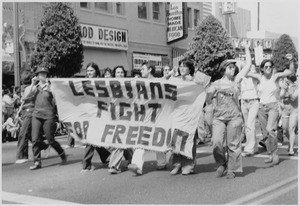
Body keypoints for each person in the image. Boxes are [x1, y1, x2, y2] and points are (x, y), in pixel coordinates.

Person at [206, 46, 251, 179]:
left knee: (234, 144)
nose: (233, 69)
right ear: (223, 70)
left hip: (234, 117)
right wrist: (209, 94)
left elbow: (248, 65)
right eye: (230, 67)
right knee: (216, 142)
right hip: (219, 117)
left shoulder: (237, 81)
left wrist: (247, 49)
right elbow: (208, 100)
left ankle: (233, 169)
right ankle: (222, 163)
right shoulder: (216, 84)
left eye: (233, 67)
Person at [247, 54, 295, 165]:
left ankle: (274, 153)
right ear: (262, 69)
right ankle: (269, 154)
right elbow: (245, 73)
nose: (268, 68)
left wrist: (291, 61)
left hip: (273, 106)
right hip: (262, 107)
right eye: (266, 67)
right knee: (265, 134)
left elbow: (290, 72)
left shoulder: (276, 76)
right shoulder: (259, 77)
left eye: (270, 66)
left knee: (270, 130)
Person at [128, 62, 168, 175]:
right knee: (141, 139)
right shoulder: (139, 82)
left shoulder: (159, 81)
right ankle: (136, 165)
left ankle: (162, 162)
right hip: (144, 116)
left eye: (143, 69)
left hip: (158, 115)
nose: (141, 71)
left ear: (150, 70)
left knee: (158, 138)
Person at [28, 66, 67, 170]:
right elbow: (26, 96)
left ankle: (61, 152)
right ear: (37, 76)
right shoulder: (35, 87)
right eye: (40, 74)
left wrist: (50, 88)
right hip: (36, 115)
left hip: (49, 116)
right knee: (35, 139)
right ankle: (37, 162)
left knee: (50, 139)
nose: (43, 76)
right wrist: (32, 84)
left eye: (45, 74)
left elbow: (57, 97)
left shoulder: (50, 86)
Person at [81, 62, 111, 172]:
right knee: (93, 137)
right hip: (88, 113)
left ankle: (86, 164)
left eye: (91, 71)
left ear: (96, 71)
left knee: (91, 137)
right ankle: (105, 156)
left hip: (99, 113)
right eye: (87, 71)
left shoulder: (101, 83)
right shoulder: (84, 83)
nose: (89, 73)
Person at [15, 70, 50, 164]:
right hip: (25, 112)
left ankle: (23, 156)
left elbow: (25, 97)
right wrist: (18, 112)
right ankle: (44, 146)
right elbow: (23, 102)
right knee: (31, 135)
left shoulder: (34, 87)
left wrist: (32, 84)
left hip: (31, 112)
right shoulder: (25, 87)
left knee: (23, 134)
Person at [108, 65, 133, 174]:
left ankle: (114, 166)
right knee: (122, 140)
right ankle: (132, 160)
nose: (120, 74)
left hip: (126, 115)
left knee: (119, 139)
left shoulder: (129, 85)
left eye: (122, 72)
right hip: (113, 115)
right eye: (118, 72)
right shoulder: (109, 85)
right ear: (114, 74)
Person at [239, 49, 260, 157]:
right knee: (247, 125)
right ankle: (254, 146)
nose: (248, 70)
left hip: (253, 102)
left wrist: (247, 49)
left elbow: (250, 68)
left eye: (251, 68)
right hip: (244, 102)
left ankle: (249, 148)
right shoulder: (241, 78)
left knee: (250, 125)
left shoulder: (256, 77)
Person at [278, 75, 298, 156]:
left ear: (290, 79)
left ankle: (291, 149)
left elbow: (293, 97)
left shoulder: (297, 86)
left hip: (294, 109)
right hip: (285, 110)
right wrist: (283, 89)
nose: (284, 80)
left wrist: (287, 90)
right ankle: (292, 142)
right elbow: (280, 96)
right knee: (285, 130)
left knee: (291, 128)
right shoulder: (284, 86)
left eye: (286, 79)